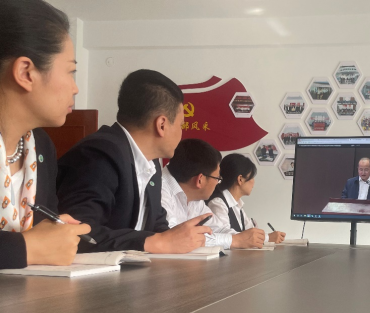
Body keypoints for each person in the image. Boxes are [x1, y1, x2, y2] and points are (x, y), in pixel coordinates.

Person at [57, 69, 212, 254]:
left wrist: (180, 239)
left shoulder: (152, 165)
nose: (182, 133)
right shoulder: (99, 156)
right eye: (181, 125)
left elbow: (157, 225)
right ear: (162, 124)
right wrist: (156, 242)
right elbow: (77, 234)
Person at [0, 0, 91, 269]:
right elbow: (30, 248)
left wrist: (55, 235)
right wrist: (27, 247)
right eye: (71, 71)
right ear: (26, 73)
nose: (75, 88)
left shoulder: (40, 146)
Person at [161, 139, 265, 249]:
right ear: (200, 180)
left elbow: (218, 228)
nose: (218, 183)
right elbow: (176, 238)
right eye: (217, 178)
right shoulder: (160, 191)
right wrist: (234, 240)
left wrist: (241, 238)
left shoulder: (195, 199)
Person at [207, 153, 285, 244]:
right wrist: (268, 237)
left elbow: (250, 230)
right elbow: (224, 234)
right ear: (240, 179)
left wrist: (267, 236)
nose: (254, 182)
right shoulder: (217, 203)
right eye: (252, 177)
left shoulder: (237, 205)